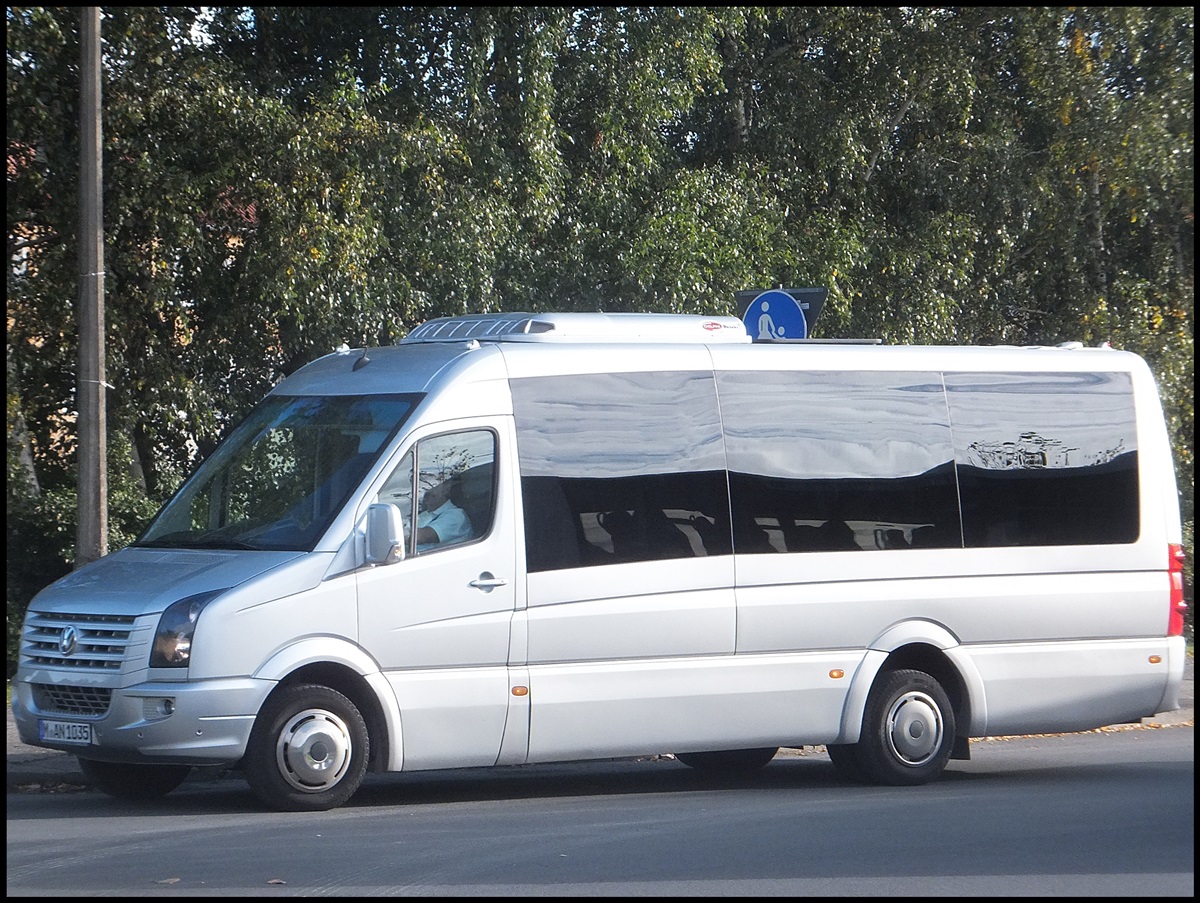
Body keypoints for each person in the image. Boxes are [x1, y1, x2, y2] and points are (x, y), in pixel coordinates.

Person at [415, 478, 473, 550]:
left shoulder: (456, 516)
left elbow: (421, 537)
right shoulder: (424, 514)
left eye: (433, 483)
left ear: (446, 488)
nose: (426, 489)